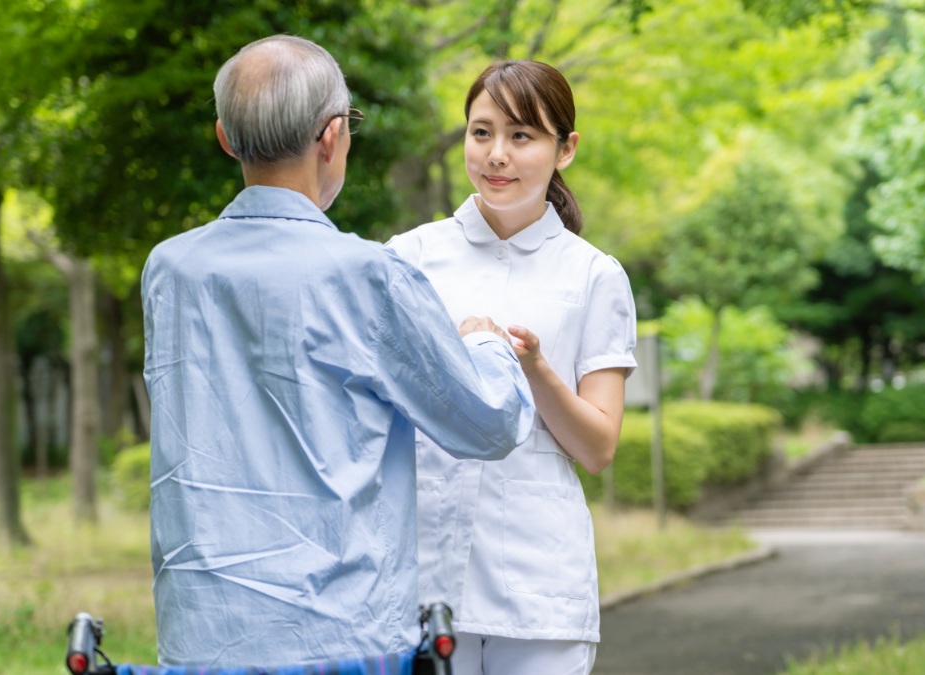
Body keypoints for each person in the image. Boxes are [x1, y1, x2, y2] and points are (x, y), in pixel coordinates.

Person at [141, 36, 536, 668]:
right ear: (331, 137)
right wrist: (485, 342)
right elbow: (487, 422)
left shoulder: (170, 271)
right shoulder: (367, 275)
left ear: (224, 137)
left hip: (199, 639)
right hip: (337, 640)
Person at [387, 60, 637, 675]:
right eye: (481, 132)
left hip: (538, 582)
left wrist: (533, 368)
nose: (497, 154)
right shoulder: (407, 258)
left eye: (521, 136)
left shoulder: (593, 275)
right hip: (419, 571)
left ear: (565, 149)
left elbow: (599, 446)